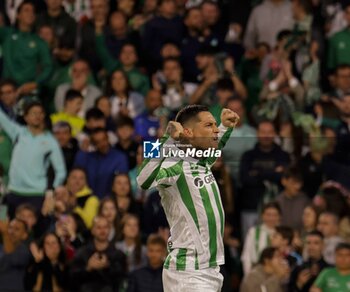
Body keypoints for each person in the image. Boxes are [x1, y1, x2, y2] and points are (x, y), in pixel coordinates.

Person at [137, 105, 240, 291]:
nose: (215, 129)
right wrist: (167, 139)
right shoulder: (174, 163)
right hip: (189, 272)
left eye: (215, 125)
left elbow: (216, 146)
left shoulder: (202, 160)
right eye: (209, 125)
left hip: (209, 269)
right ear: (188, 132)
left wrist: (226, 127)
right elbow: (142, 179)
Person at [0, 101, 66, 218]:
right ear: (25, 117)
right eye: (33, 113)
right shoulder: (18, 133)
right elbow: (2, 118)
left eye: (40, 113)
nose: (37, 116)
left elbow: (61, 171)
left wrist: (51, 192)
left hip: (37, 194)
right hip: (14, 191)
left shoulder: (50, 141)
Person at [239, 120, 290, 238]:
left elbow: (284, 179)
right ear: (257, 133)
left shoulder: (283, 156)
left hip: (279, 210)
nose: (266, 136)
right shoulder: (248, 156)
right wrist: (273, 173)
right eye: (263, 132)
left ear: (275, 134)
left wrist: (257, 173)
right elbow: (245, 179)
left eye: (270, 132)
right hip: (251, 207)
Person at [0, 1, 53, 94]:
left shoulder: (39, 42)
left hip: (28, 91)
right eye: (26, 10)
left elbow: (48, 67)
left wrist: (36, 83)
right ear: (18, 15)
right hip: (6, 90)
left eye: (33, 11)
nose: (30, 14)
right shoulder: (6, 34)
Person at [69, 216, 127, 292]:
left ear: (109, 230)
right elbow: (72, 280)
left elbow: (121, 281)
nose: (102, 230)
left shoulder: (118, 254)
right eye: (99, 227)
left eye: (105, 227)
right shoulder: (82, 253)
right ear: (92, 230)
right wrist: (88, 268)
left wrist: (107, 266)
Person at [74, 128, 129, 198]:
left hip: (111, 202)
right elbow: (76, 170)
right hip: (89, 200)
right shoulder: (89, 157)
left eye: (104, 139)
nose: (103, 144)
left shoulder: (119, 158)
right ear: (93, 144)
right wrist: (83, 150)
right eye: (98, 142)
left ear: (108, 138)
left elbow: (121, 182)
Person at [241, 202, 281, 275]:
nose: (271, 218)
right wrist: (248, 275)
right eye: (268, 215)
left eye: (275, 215)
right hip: (256, 271)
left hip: (276, 273)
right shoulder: (253, 232)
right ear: (262, 216)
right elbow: (246, 256)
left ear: (279, 216)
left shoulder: (282, 233)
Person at [0, 218, 31, 291]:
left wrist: (5, 233)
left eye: (17, 229)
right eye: (9, 227)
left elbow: (11, 256)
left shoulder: (24, 250)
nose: (11, 232)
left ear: (24, 235)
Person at [276, 167, 310, 232]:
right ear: (284, 181)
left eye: (299, 183)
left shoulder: (305, 201)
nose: (297, 186)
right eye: (293, 182)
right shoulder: (277, 201)